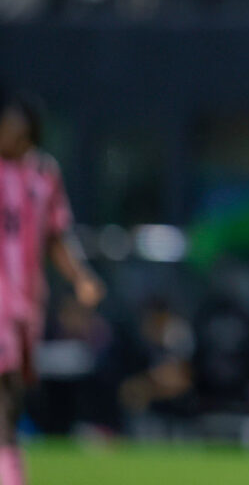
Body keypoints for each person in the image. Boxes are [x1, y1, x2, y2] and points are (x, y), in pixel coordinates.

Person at [0, 92, 104, 485]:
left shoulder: (43, 175)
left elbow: (56, 235)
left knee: (14, 388)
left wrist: (80, 276)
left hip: (26, 304)